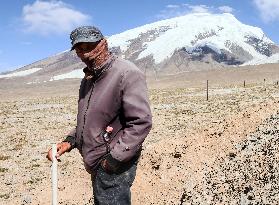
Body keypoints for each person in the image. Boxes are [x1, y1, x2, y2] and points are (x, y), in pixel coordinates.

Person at [46, 25, 152, 205]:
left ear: (104, 43)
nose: (85, 52)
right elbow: (90, 120)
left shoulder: (126, 73)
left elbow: (141, 122)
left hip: (114, 163)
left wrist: (113, 160)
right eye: (80, 48)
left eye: (90, 45)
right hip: (97, 160)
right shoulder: (88, 80)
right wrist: (69, 141)